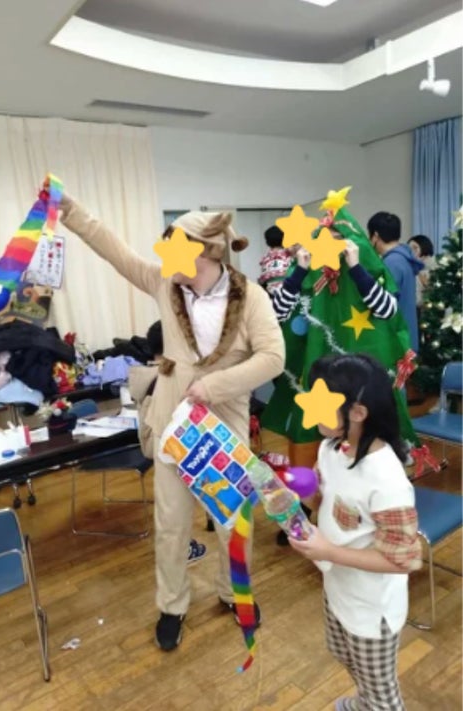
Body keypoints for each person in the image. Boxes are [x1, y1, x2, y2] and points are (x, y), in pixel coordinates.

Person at [58, 194, 285, 652]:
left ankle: (235, 593)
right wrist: (70, 210)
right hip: (173, 422)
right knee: (171, 522)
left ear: (206, 251)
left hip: (224, 424)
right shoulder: (165, 282)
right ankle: (172, 605)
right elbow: (115, 250)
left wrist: (213, 386)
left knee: (234, 521)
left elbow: (273, 358)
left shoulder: (251, 297)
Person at [289, 353, 422, 711]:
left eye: (321, 400)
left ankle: (370, 704)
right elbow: (329, 504)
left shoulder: (387, 480)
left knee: (383, 697)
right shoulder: (331, 447)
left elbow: (403, 559)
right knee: (341, 652)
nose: (310, 407)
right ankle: (365, 701)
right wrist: (305, 494)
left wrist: (328, 551)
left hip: (371, 608)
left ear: (358, 412)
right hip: (338, 587)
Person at [262, 190, 419, 473]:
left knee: (363, 431)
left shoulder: (368, 272)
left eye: (338, 240)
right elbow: (277, 314)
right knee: (324, 438)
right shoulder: (308, 276)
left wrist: (356, 268)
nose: (331, 247)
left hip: (362, 378)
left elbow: (387, 311)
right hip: (321, 377)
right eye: (325, 240)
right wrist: (299, 272)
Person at [128, 320, 206, 565]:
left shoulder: (145, 373)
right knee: (178, 505)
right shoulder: (172, 377)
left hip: (154, 442)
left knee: (171, 503)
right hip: (173, 446)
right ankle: (181, 551)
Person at [367, 212, 423, 353]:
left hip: (396, 339)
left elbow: (383, 304)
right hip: (405, 335)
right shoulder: (403, 257)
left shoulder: (391, 263)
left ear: (375, 236)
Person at [258, 225, 295, 294]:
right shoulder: (288, 254)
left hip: (270, 291)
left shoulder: (265, 258)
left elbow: (263, 278)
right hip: (287, 289)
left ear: (267, 242)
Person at [407, 234, 435, 317]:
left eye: (415, 248)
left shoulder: (434, 267)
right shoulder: (408, 266)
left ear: (424, 247)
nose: (412, 251)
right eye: (409, 248)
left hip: (429, 313)